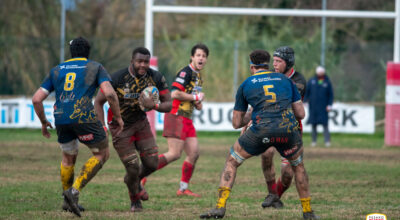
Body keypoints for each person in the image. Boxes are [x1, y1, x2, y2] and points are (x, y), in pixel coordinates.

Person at [200, 49, 319, 220]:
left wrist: (251, 114)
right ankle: (308, 211)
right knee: (298, 166)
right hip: (287, 130)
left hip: (261, 130)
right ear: (268, 64)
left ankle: (220, 207)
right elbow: (300, 114)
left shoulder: (246, 84)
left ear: (252, 66)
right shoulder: (286, 80)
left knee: (232, 161)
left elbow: (236, 123)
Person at [32, 37, 124, 217]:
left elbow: (36, 99)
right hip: (83, 115)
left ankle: (67, 202)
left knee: (68, 158)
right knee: (102, 153)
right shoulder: (95, 67)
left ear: (71, 52)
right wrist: (118, 117)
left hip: (60, 117)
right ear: (88, 52)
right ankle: (73, 192)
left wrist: (44, 122)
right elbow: (110, 94)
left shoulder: (56, 70)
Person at [94, 47, 172, 212]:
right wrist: (101, 125)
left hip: (141, 123)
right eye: (139, 61)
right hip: (120, 127)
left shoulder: (155, 77)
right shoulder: (117, 78)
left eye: (146, 61)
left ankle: (132, 180)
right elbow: (98, 102)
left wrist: (155, 106)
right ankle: (135, 200)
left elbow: (169, 104)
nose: (143, 65)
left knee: (152, 163)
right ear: (132, 61)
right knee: (133, 166)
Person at [142, 43, 209, 197]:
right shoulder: (186, 72)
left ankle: (183, 188)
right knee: (174, 153)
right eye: (198, 55)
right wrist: (195, 97)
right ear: (192, 57)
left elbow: (192, 98)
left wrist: (197, 102)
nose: (201, 58)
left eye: (204, 56)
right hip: (175, 115)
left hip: (186, 118)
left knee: (194, 153)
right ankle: (141, 174)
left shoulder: (198, 76)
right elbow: (175, 94)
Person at [258, 46, 307, 209]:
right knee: (266, 154)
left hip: (291, 129)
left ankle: (276, 197)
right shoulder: (270, 76)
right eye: (274, 61)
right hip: (271, 125)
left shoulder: (299, 81)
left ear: (289, 63)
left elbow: (286, 102)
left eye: (279, 61)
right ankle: (272, 194)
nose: (275, 64)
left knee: (287, 174)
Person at [304, 66, 334, 147]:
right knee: (314, 125)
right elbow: (307, 92)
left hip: (324, 107)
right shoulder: (312, 81)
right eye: (319, 72)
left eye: (321, 72)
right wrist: (305, 101)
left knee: (325, 125)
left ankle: (327, 141)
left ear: (323, 72)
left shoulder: (327, 82)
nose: (320, 73)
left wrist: (330, 105)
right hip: (313, 107)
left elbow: (331, 95)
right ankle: (314, 141)